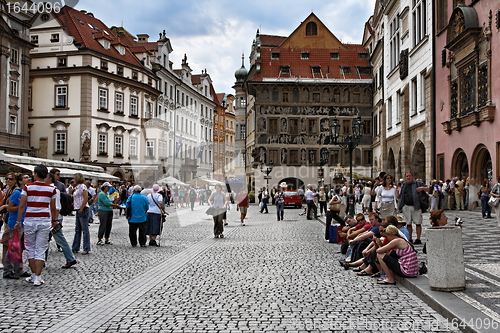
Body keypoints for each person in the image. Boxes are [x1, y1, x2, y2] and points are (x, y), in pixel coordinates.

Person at [18, 165, 58, 286]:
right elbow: (53, 207)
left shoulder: (27, 187)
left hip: (30, 220)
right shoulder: (52, 189)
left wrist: (18, 221)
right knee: (41, 249)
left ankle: (34, 275)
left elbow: (22, 205)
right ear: (46, 176)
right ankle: (38, 277)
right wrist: (54, 220)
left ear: (35, 174)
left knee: (30, 248)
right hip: (44, 220)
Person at [1, 173, 31, 279]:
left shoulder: (25, 192)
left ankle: (18, 270)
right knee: (13, 247)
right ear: (20, 181)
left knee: (18, 248)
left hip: (22, 223)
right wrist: (20, 206)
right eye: (26, 178)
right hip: (15, 223)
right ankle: (7, 271)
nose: (29, 179)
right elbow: (9, 208)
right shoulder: (17, 193)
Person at [46, 173, 77, 269]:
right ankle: (42, 260)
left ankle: (70, 258)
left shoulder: (53, 189)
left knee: (60, 239)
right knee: (45, 239)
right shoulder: (53, 189)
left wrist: (54, 220)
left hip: (54, 217)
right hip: (52, 217)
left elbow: (56, 207)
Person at [397, 171, 428, 244]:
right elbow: (400, 196)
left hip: (416, 206)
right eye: (407, 176)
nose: (408, 177)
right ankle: (410, 238)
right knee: (408, 223)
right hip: (406, 206)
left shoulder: (418, 183)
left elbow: (429, 189)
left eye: (409, 176)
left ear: (412, 177)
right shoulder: (404, 185)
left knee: (418, 223)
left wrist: (422, 188)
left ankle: (418, 238)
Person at [71, 173, 91, 255]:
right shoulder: (76, 187)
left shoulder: (82, 186)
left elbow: (85, 198)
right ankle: (75, 247)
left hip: (82, 209)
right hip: (78, 209)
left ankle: (86, 247)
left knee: (84, 229)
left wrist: (81, 208)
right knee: (77, 229)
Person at [96, 182, 118, 246]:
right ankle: (100, 239)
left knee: (109, 225)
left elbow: (110, 201)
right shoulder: (102, 194)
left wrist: (115, 200)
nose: (109, 188)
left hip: (109, 210)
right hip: (103, 210)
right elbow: (107, 203)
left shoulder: (107, 194)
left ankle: (106, 238)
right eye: (108, 187)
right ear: (104, 187)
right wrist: (115, 205)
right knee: (103, 225)